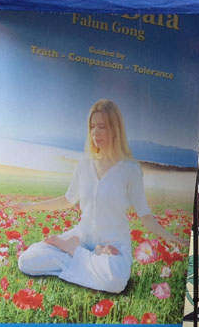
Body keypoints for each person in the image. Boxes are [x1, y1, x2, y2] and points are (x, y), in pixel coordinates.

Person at [13, 99, 183, 293]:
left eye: (102, 127)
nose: (95, 133)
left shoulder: (130, 170)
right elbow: (68, 200)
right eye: (92, 127)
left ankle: (76, 253)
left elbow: (144, 215)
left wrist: (169, 236)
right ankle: (87, 256)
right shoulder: (85, 165)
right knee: (27, 260)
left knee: (115, 281)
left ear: (115, 129)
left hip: (113, 244)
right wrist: (30, 206)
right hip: (82, 236)